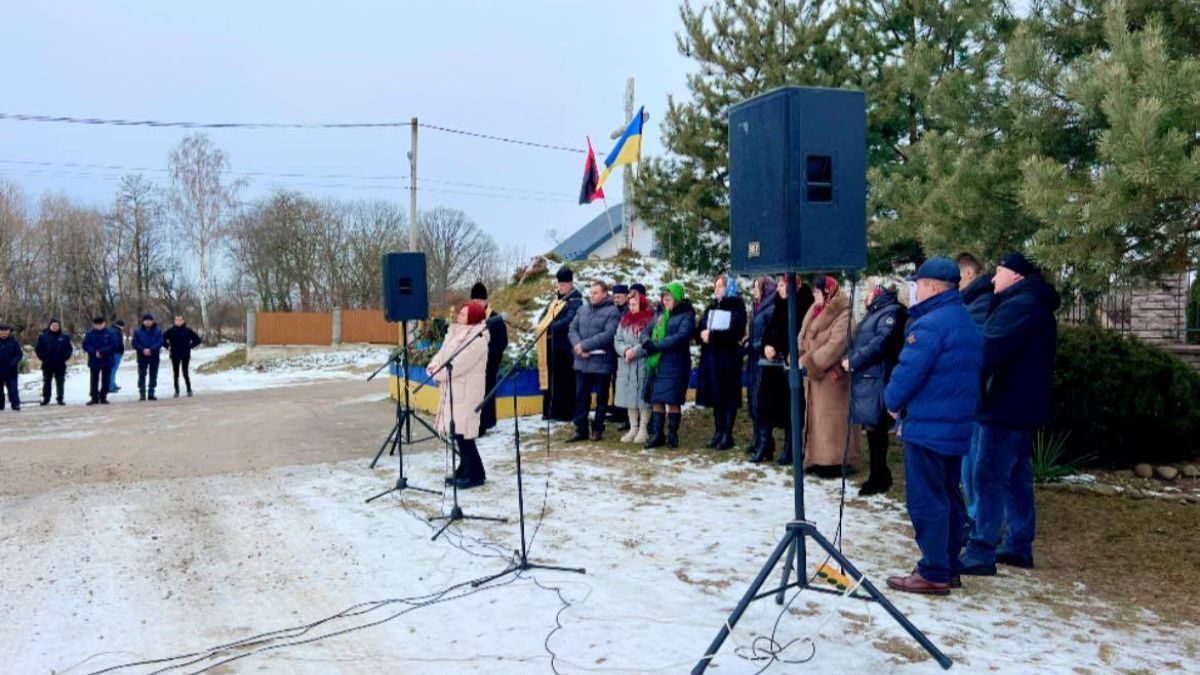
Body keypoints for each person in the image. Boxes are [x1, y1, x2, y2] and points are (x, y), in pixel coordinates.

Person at [883, 258, 983, 595]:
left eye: (918, 285)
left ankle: (934, 570)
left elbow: (907, 373)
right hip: (954, 427)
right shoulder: (964, 321)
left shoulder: (929, 325)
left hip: (928, 427)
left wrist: (892, 401)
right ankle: (950, 565)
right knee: (949, 495)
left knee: (927, 499)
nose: (915, 291)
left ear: (933, 287)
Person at [960, 252, 1061, 575]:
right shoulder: (1030, 303)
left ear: (1015, 275)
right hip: (1020, 406)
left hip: (1004, 406)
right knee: (1016, 477)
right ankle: (1019, 544)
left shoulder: (1020, 305)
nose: (992, 279)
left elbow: (988, 349)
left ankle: (981, 549)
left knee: (988, 476)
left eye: (998, 272)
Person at [844, 283, 907, 495]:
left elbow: (881, 342)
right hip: (869, 377)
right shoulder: (875, 313)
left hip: (879, 377)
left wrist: (855, 360)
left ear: (878, 293)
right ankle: (878, 474)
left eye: (869, 292)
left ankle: (879, 476)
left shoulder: (891, 313)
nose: (865, 297)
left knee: (877, 429)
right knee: (873, 430)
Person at [799, 275, 859, 476]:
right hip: (814, 377)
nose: (815, 296)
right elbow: (803, 335)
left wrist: (809, 362)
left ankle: (835, 462)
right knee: (816, 420)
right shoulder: (814, 310)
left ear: (828, 292)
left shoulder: (844, 314)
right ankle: (817, 458)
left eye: (818, 292)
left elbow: (835, 346)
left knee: (832, 421)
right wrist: (798, 355)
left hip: (832, 378)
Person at [427, 300, 491, 489]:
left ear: (472, 318)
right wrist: (432, 366)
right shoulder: (456, 334)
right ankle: (466, 468)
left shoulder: (477, 340)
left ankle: (475, 475)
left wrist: (436, 374)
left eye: (463, 314)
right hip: (453, 389)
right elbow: (441, 355)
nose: (458, 317)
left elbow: (457, 365)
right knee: (457, 433)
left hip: (466, 391)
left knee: (465, 434)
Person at [751, 275, 814, 464]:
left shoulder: (803, 305)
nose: (778, 289)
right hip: (772, 365)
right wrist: (767, 346)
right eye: (777, 285)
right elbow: (769, 331)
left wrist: (778, 347)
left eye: (782, 285)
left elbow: (797, 335)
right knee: (765, 405)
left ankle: (790, 448)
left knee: (790, 408)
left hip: (790, 365)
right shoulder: (778, 305)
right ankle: (764, 446)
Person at [956, 252, 993, 521]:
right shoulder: (972, 300)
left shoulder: (981, 301)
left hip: (979, 393)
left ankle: (978, 513)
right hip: (972, 392)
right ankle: (974, 510)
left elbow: (972, 345)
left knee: (977, 457)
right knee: (969, 453)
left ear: (968, 273)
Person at [696, 274, 748, 450]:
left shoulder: (737, 307)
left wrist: (713, 336)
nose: (717, 289)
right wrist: (702, 333)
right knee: (716, 397)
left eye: (721, 286)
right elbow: (701, 327)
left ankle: (727, 433)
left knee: (728, 397)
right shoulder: (712, 306)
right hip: (711, 359)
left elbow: (735, 333)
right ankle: (718, 431)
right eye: (716, 286)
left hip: (728, 360)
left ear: (729, 288)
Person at [641, 282, 696, 449]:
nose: (665, 301)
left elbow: (681, 337)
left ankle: (673, 435)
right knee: (657, 399)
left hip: (676, 364)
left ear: (677, 298)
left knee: (673, 401)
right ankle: (657, 434)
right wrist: (646, 341)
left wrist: (656, 346)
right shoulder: (659, 314)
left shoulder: (686, 315)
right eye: (664, 298)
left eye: (669, 298)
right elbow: (645, 331)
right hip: (659, 364)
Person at [567, 280, 621, 442]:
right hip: (582, 361)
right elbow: (572, 329)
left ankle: (597, 428)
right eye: (591, 292)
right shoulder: (582, 309)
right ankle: (581, 429)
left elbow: (608, 335)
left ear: (605, 293)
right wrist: (577, 346)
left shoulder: (613, 311)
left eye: (596, 293)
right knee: (581, 396)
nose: (592, 295)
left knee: (601, 398)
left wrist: (584, 346)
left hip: (602, 361)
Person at [536, 267, 582, 421]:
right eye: (559, 284)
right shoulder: (555, 301)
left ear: (571, 283)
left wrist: (549, 328)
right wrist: (540, 325)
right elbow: (544, 316)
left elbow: (569, 320)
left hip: (565, 348)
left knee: (564, 382)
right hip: (551, 346)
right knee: (553, 381)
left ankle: (564, 413)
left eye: (564, 284)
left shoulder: (575, 301)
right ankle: (550, 411)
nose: (560, 287)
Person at [614, 291, 655, 444]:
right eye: (630, 304)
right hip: (627, 364)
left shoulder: (649, 319)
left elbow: (649, 340)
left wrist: (634, 351)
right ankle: (633, 428)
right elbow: (617, 339)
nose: (631, 307)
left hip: (642, 363)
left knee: (643, 398)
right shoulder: (624, 321)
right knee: (629, 397)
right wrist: (625, 350)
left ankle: (643, 429)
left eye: (634, 304)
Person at [744, 277, 777, 454]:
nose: (753, 291)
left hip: (763, 360)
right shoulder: (757, 307)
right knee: (752, 399)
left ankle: (765, 442)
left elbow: (767, 335)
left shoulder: (770, 308)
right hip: (753, 359)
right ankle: (757, 438)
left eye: (757, 287)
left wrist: (753, 346)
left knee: (760, 399)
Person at [470, 282, 508, 434]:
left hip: (488, 364)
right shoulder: (469, 317)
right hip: (472, 365)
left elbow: (501, 343)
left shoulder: (495, 318)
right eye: (474, 301)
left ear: (485, 301)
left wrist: (485, 353)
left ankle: (483, 424)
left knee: (485, 394)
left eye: (479, 301)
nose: (477, 304)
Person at [608, 283, 632, 431]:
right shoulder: (612, 310)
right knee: (616, 383)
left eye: (619, 297)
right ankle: (618, 411)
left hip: (625, 352)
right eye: (614, 296)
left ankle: (626, 416)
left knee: (625, 385)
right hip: (613, 352)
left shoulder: (628, 311)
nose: (616, 299)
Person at [163, 315, 203, 398]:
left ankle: (189, 389)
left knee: (185, 373)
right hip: (174, 354)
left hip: (185, 354)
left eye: (180, 320)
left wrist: (190, 346)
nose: (178, 321)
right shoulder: (171, 330)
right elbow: (161, 338)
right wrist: (167, 346)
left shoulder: (188, 330)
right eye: (176, 320)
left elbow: (198, 340)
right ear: (174, 321)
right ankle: (176, 391)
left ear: (183, 321)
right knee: (176, 373)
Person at [36, 319, 73, 406]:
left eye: (56, 325)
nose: (55, 327)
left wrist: (64, 358)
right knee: (46, 381)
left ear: (59, 326)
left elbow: (69, 349)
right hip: (47, 363)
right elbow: (38, 349)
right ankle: (46, 398)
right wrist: (43, 358)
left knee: (60, 381)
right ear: (50, 326)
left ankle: (60, 398)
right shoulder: (43, 337)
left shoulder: (64, 337)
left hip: (60, 363)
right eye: (53, 326)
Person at [83, 317, 119, 405]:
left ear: (104, 323)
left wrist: (102, 351)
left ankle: (103, 396)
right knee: (94, 379)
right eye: (97, 324)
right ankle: (94, 397)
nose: (99, 326)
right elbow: (86, 345)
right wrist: (94, 352)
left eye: (100, 324)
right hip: (94, 359)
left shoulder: (110, 333)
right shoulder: (90, 334)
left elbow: (114, 345)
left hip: (107, 358)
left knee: (106, 379)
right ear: (94, 325)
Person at [132, 313, 164, 401]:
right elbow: (135, 343)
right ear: (143, 321)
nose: (148, 322)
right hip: (142, 356)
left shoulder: (157, 330)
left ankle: (151, 393)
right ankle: (142, 393)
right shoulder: (137, 331)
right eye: (146, 320)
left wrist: (151, 349)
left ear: (152, 321)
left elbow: (160, 341)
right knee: (142, 375)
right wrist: (143, 350)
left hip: (154, 355)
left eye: (150, 320)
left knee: (153, 375)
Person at [0, 323, 22, 412]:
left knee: (13, 389)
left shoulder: (14, 342)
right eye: (2, 330)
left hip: (11, 370)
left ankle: (15, 404)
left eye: (6, 330)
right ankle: (0, 405)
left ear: (9, 332)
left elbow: (18, 354)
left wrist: (14, 362)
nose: (4, 332)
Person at [108, 319, 126, 394]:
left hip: (113, 353)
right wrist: (120, 351)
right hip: (116, 353)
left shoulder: (111, 330)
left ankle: (113, 384)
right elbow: (117, 343)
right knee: (113, 369)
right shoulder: (116, 331)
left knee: (112, 369)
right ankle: (111, 386)